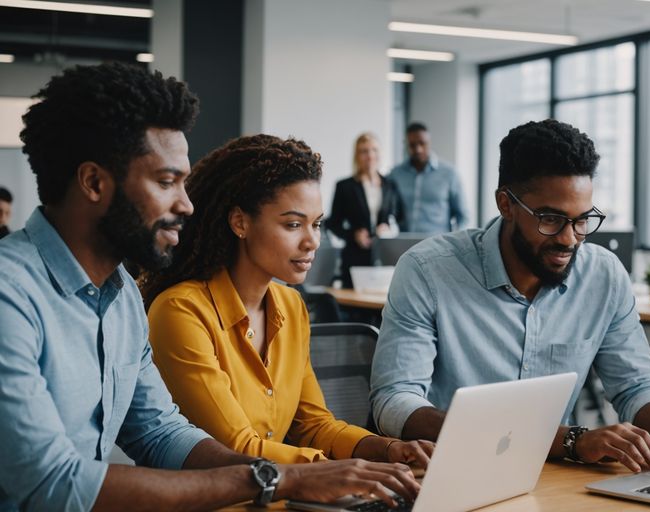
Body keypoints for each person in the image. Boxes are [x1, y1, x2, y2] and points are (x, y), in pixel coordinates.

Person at [0, 62, 418, 510]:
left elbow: (160, 433)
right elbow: (54, 485)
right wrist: (281, 481)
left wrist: (285, 475)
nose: (186, 203)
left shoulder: (119, 294)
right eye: (166, 182)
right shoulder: (12, 295)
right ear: (94, 183)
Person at [371, 119, 650, 473]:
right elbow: (394, 402)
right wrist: (568, 440)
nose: (570, 239)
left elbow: (636, 384)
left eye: (583, 220)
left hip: (554, 477)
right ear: (506, 204)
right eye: (551, 219)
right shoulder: (427, 270)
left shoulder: (603, 275)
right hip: (456, 471)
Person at [141, 134, 433, 469]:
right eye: (293, 224)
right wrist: (337, 470)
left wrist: (387, 450)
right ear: (240, 222)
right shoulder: (181, 311)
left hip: (283, 494)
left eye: (317, 224)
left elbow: (313, 426)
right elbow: (236, 449)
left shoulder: (291, 307)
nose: (312, 241)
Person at [327, 132, 403, 288]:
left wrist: (389, 228)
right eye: (364, 151)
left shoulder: (390, 185)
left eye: (374, 150)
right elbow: (333, 224)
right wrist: (354, 235)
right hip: (355, 257)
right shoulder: (344, 186)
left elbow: (402, 217)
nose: (370, 155)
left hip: (384, 257)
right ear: (357, 156)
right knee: (355, 307)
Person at [389, 122, 466, 233]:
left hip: (439, 245)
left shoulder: (449, 173)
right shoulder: (395, 174)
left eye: (422, 143)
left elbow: (463, 216)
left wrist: (457, 242)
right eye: (412, 145)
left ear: (429, 143)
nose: (418, 149)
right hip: (405, 244)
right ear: (406, 145)